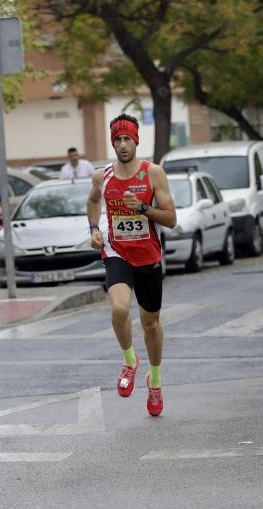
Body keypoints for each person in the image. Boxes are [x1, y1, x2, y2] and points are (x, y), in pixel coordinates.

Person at [87, 114, 177, 416]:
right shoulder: (103, 176)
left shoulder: (153, 174)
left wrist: (141, 208)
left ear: (136, 141)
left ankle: (155, 382)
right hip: (117, 252)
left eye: (127, 139)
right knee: (119, 308)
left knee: (150, 324)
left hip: (148, 255)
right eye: (118, 139)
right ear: (112, 142)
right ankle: (129, 361)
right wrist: (94, 230)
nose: (123, 144)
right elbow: (93, 202)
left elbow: (171, 219)